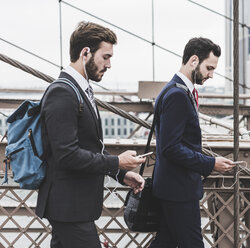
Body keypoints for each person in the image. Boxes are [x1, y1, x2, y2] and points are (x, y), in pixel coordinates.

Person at [35, 21, 146, 248]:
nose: (109, 64)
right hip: (69, 207)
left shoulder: (80, 89)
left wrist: (120, 173)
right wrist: (117, 161)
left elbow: (90, 147)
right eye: (105, 57)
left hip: (74, 207)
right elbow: (67, 155)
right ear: (85, 53)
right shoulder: (62, 92)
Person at [149, 37, 236, 248]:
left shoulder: (176, 90)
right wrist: (210, 163)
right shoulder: (178, 95)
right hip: (178, 190)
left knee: (165, 243)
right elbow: (171, 147)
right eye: (209, 68)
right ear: (194, 60)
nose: (211, 75)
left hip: (172, 187)